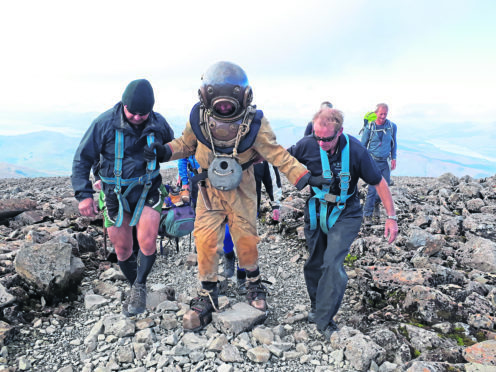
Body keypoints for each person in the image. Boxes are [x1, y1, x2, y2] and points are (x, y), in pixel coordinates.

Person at [146, 61, 316, 332]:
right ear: (207, 97)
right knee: (204, 238)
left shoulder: (253, 124)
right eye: (219, 102)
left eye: (229, 102)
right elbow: (186, 144)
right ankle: (208, 289)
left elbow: (275, 153)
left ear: (242, 97)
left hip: (242, 187)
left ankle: (252, 281)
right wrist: (164, 151)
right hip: (208, 189)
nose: (224, 107)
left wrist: (301, 175)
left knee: (246, 237)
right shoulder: (199, 120)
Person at [288, 107, 398, 340]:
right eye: (317, 137)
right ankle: (317, 306)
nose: (321, 143)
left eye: (327, 139)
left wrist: (391, 217)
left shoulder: (356, 150)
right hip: (316, 209)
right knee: (314, 262)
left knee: (332, 264)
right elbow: (284, 159)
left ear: (340, 132)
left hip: (346, 212)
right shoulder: (308, 143)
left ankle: (325, 320)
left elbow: (379, 183)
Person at [72, 79, 174, 316]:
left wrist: (161, 150)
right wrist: (83, 195)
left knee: (147, 241)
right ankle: (133, 283)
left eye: (143, 113)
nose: (138, 117)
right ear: (123, 104)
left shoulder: (158, 122)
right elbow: (82, 158)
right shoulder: (104, 123)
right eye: (133, 112)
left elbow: (173, 146)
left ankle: (139, 286)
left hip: (148, 189)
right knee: (122, 249)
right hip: (114, 193)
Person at [360, 103, 397, 224]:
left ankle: (376, 208)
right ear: (376, 113)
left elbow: (393, 143)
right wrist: (362, 162)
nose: (383, 116)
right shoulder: (369, 127)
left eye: (385, 114)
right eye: (381, 114)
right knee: (372, 189)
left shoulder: (392, 126)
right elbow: (362, 145)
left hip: (385, 162)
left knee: (384, 189)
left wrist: (393, 158)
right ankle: (367, 215)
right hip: (372, 161)